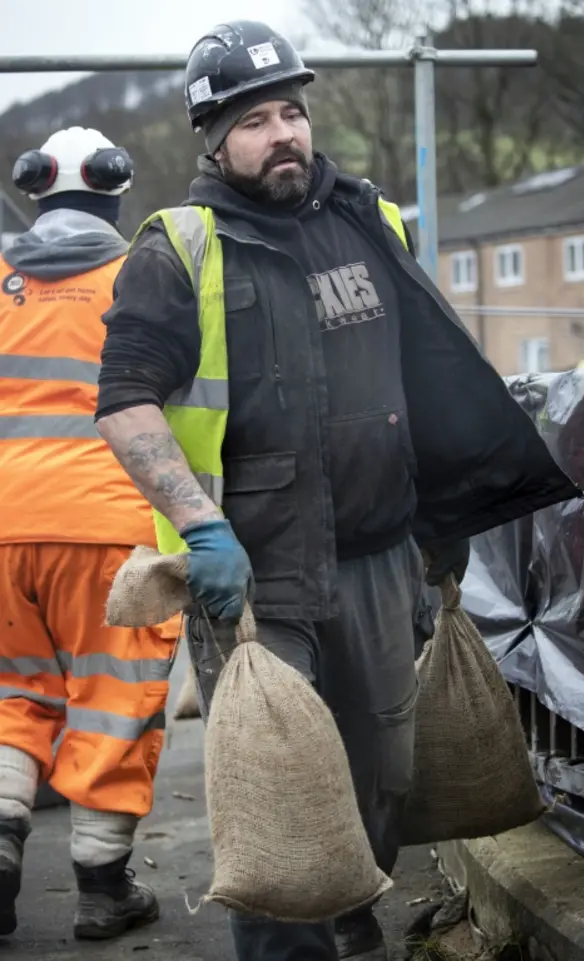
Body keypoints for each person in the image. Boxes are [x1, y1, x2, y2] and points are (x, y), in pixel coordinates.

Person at [95, 21, 579, 961]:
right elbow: (123, 406)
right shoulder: (181, 249)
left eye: (292, 112)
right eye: (253, 120)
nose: (282, 133)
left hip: (377, 563)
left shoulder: (374, 223)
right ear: (212, 137)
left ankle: (355, 925)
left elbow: (429, 380)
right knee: (282, 809)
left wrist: (447, 514)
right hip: (252, 582)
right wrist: (200, 529)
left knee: (377, 784)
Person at [0, 126, 181, 941]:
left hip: (4, 530)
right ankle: (104, 887)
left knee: (14, 697)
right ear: (115, 193)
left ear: (35, 191)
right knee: (112, 701)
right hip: (109, 530)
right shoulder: (136, 277)